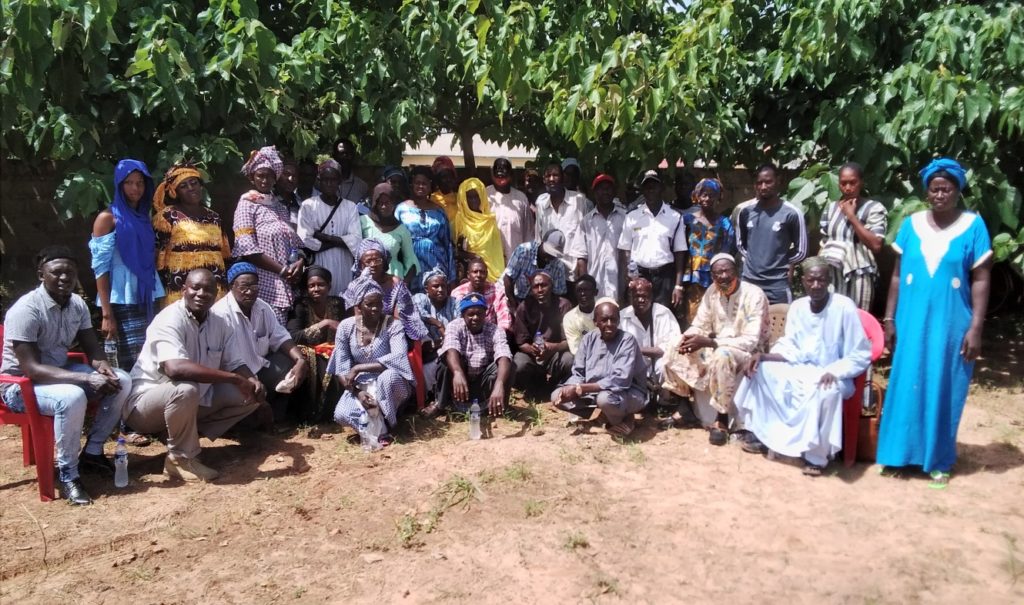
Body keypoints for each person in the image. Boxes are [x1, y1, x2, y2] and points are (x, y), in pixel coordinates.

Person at [876, 158, 993, 487]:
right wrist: (889, 318)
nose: (940, 195)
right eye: (934, 189)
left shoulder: (973, 226)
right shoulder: (911, 224)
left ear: (957, 191)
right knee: (906, 381)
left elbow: (982, 279)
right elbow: (896, 276)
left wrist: (976, 327)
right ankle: (897, 455)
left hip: (951, 323)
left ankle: (937, 460)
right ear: (926, 192)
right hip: (910, 319)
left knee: (944, 385)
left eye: (947, 189)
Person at [1, 246, 132, 505]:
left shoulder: (76, 304)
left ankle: (92, 453)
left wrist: (103, 367)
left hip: (59, 373)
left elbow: (91, 348)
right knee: (71, 397)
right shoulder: (27, 309)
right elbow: (31, 369)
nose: (64, 278)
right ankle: (68, 474)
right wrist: (86, 379)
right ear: (41, 275)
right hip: (19, 386)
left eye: (70, 272)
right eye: (56, 272)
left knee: (122, 380)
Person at [733, 258, 871, 476]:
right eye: (811, 280)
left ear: (828, 281)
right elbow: (791, 346)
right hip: (801, 369)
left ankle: (816, 457)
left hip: (834, 373)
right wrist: (763, 356)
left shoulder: (843, 307)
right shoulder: (798, 307)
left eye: (821, 280)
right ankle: (763, 435)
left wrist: (835, 371)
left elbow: (860, 353)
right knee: (761, 371)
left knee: (828, 392)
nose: (816, 285)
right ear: (803, 281)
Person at [125, 269, 264, 482]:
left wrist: (252, 380)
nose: (201, 294)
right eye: (195, 288)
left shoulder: (220, 323)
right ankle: (180, 459)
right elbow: (175, 369)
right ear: (184, 290)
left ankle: (180, 435)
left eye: (208, 290)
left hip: (188, 401)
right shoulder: (169, 318)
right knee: (185, 388)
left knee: (248, 394)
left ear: (217, 293)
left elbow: (235, 362)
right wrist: (233, 378)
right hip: (143, 406)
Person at [661, 253, 769, 443]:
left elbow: (751, 341)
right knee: (674, 344)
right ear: (712, 276)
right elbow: (700, 324)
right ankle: (684, 407)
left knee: (722, 354)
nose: (723, 276)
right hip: (717, 344)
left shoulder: (754, 295)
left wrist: (710, 342)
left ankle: (721, 418)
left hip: (750, 353)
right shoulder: (712, 291)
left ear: (737, 271)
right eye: (718, 273)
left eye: (727, 271)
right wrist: (688, 338)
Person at [89, 159, 165, 370]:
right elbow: (100, 268)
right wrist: (107, 315)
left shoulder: (144, 217)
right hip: (122, 297)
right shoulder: (107, 218)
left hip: (147, 294)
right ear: (119, 184)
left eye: (140, 183)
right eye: (129, 183)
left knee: (153, 356)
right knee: (132, 362)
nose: (135, 188)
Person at [212, 263, 307, 425]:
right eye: (244, 287)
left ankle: (276, 416)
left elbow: (280, 336)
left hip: (259, 369)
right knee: (248, 408)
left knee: (293, 363)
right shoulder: (221, 314)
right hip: (235, 377)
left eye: (254, 286)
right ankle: (251, 417)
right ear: (231, 286)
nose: (250, 291)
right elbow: (230, 361)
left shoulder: (262, 307)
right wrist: (252, 382)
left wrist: (300, 360)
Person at [328, 272, 415, 445]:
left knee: (388, 378)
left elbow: (398, 357)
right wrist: (357, 392)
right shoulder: (346, 327)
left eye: (379, 303)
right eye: (369, 304)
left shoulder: (393, 325)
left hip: (390, 381)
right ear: (359, 306)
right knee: (341, 414)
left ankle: (387, 425)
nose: (376, 308)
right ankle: (375, 429)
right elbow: (341, 369)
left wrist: (359, 367)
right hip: (360, 384)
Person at [551, 300, 648, 437]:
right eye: (604, 320)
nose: (609, 324)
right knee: (557, 396)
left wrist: (581, 388)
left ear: (619, 320)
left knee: (605, 399)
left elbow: (620, 380)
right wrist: (570, 388)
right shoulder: (588, 339)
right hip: (594, 393)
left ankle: (625, 419)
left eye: (613, 319)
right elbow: (578, 372)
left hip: (627, 393)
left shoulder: (627, 340)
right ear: (595, 322)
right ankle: (603, 416)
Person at [232, 145, 306, 325]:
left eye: (269, 176)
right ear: (252, 178)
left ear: (275, 178)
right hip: (265, 284)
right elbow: (247, 248)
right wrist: (282, 270)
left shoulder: (278, 207)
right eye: (260, 175)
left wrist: (300, 262)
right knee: (265, 333)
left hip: (288, 282)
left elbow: (295, 242)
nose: (265, 180)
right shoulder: (247, 204)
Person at [423, 292, 515, 419]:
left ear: (485, 314)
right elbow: (450, 348)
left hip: (481, 380)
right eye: (471, 314)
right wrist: (457, 372)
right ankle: (440, 404)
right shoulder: (454, 326)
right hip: (460, 379)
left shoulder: (495, 330)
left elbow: (503, 353)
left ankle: (499, 405)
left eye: (479, 313)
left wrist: (499, 384)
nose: (475, 318)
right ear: (463, 315)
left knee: (508, 364)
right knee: (445, 360)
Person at [154, 163, 231, 306]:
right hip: (181, 286)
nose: (190, 188)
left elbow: (225, 255)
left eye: (194, 183)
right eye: (183, 186)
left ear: (200, 185)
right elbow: (158, 257)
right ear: (175, 192)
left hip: (214, 285)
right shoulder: (167, 216)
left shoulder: (214, 217)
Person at [735, 164, 808, 304]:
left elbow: (802, 251)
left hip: (777, 285)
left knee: (780, 318)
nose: (763, 187)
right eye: (759, 183)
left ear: (778, 181)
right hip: (749, 283)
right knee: (746, 318)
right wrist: (756, 260)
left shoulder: (792, 213)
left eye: (768, 182)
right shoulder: (745, 212)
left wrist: (779, 262)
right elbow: (740, 245)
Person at [819, 163, 887, 310]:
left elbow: (876, 245)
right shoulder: (831, 209)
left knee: (857, 317)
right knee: (832, 316)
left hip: (859, 276)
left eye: (852, 182)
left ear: (861, 182)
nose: (848, 188)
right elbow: (824, 243)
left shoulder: (873, 208)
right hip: (833, 275)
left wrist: (851, 217)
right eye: (843, 183)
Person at [617, 170, 687, 309]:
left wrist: (678, 285)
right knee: (638, 314)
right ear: (643, 190)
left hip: (665, 276)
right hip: (640, 275)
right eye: (647, 187)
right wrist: (629, 277)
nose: (650, 190)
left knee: (663, 314)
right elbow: (625, 249)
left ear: (662, 188)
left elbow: (680, 252)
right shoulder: (632, 217)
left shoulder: (675, 216)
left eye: (654, 186)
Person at [286, 266, 346, 424]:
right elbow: (293, 336)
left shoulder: (338, 303)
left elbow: (346, 328)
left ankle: (339, 410)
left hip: (333, 349)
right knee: (313, 359)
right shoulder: (300, 305)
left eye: (321, 285)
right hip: (308, 350)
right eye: (311, 286)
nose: (316, 289)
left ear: (329, 286)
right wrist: (324, 324)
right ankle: (312, 412)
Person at [297, 159, 363, 297]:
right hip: (318, 264)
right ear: (319, 181)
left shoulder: (350, 207)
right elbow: (305, 240)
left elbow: (356, 240)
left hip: (343, 265)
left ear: (339, 182)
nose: (329, 184)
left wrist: (323, 237)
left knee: (342, 300)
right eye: (325, 180)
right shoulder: (308, 206)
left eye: (333, 180)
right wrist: (341, 241)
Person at [350, 239, 429, 341]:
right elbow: (357, 317)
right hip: (364, 333)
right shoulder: (356, 285)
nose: (373, 264)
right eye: (368, 261)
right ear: (361, 264)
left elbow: (399, 317)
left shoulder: (395, 284)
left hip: (392, 332)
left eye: (377, 260)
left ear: (384, 261)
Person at [680, 178, 736, 322]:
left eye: (712, 195)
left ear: (718, 197)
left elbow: (729, 248)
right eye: (704, 194)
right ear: (697, 196)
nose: (707, 198)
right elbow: (680, 249)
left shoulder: (724, 223)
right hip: (693, 277)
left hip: (716, 276)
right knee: (693, 316)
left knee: (717, 315)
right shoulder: (687, 220)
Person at [512, 272, 574, 400]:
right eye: (536, 286)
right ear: (531, 289)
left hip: (555, 354)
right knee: (519, 364)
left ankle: (555, 385)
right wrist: (533, 350)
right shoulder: (524, 307)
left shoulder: (563, 305)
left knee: (569, 360)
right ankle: (535, 385)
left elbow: (569, 341)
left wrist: (553, 347)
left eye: (544, 285)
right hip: (532, 354)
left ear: (551, 286)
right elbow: (521, 343)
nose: (540, 290)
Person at [619, 278, 681, 404]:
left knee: (667, 363)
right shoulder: (622, 316)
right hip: (634, 368)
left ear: (651, 296)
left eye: (645, 296)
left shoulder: (664, 313)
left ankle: (664, 400)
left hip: (657, 366)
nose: (641, 300)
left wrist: (637, 349)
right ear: (631, 297)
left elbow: (672, 347)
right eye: (637, 296)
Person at [396, 165, 456, 292]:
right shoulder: (401, 210)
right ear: (411, 184)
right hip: (410, 265)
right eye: (417, 183)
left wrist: (452, 277)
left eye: (424, 184)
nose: (421, 186)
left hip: (436, 264)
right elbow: (395, 240)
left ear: (430, 186)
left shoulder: (439, 212)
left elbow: (448, 245)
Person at [569, 173, 627, 301]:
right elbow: (581, 257)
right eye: (601, 189)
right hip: (595, 285)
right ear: (594, 193)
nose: (605, 192)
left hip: (619, 285)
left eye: (608, 188)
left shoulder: (625, 218)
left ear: (614, 191)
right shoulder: (586, 222)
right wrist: (585, 285)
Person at [534, 162, 594, 271]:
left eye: (555, 175)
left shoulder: (579, 200)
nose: (551, 179)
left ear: (563, 178)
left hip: (574, 270)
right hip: (550, 270)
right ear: (544, 180)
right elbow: (539, 238)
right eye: (548, 176)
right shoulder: (541, 204)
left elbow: (588, 236)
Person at [360, 182, 419, 285]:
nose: (384, 207)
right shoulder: (363, 222)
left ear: (394, 203)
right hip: (368, 279)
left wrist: (401, 286)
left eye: (388, 203)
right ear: (375, 204)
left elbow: (411, 262)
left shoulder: (401, 229)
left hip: (393, 280)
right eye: (380, 203)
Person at [413, 268, 459, 396]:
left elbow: (458, 322)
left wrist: (446, 339)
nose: (440, 289)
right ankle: (432, 395)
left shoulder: (454, 302)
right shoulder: (421, 298)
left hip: (449, 346)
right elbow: (419, 313)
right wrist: (439, 325)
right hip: (427, 347)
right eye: (436, 286)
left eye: (443, 286)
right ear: (426, 289)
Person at [454, 177, 506, 281]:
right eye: (469, 197)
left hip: (492, 274)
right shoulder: (460, 220)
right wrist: (473, 256)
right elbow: (456, 251)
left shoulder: (489, 221)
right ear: (464, 199)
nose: (474, 200)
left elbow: (497, 252)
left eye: (476, 196)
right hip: (469, 275)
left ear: (482, 196)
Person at [502, 230, 570, 308]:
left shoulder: (558, 265)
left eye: (554, 255)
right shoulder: (523, 251)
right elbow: (508, 278)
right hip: (517, 297)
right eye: (549, 251)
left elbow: (559, 294)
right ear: (542, 242)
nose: (550, 256)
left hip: (542, 304)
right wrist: (513, 303)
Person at [487, 157, 534, 260]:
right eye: (497, 169)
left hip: (516, 260)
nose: (500, 174)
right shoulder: (485, 195)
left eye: (504, 169)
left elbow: (528, 232)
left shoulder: (521, 198)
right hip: (491, 261)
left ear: (511, 174)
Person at [451, 258, 513, 331]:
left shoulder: (496, 291)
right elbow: (456, 322)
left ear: (486, 274)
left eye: (482, 272)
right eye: (475, 272)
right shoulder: (457, 293)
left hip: (492, 332)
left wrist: (498, 334)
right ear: (468, 275)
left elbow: (504, 319)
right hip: (465, 334)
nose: (478, 275)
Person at [562, 274, 598, 355]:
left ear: (595, 292)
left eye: (586, 290)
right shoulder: (569, 318)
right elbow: (575, 348)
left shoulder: (604, 311)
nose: (582, 294)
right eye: (579, 290)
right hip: (584, 357)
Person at [331, 137, 369, 204]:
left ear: (353, 156)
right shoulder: (325, 183)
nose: (345, 156)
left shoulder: (362, 186)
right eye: (341, 153)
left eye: (348, 153)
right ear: (334, 156)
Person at [430, 155, 460, 228]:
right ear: (438, 180)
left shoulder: (460, 198)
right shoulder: (432, 199)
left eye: (450, 176)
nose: (448, 180)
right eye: (444, 177)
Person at [275, 158, 302, 229]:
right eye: (286, 174)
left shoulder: (300, 205)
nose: (291, 179)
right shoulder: (268, 201)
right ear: (278, 176)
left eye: (294, 176)